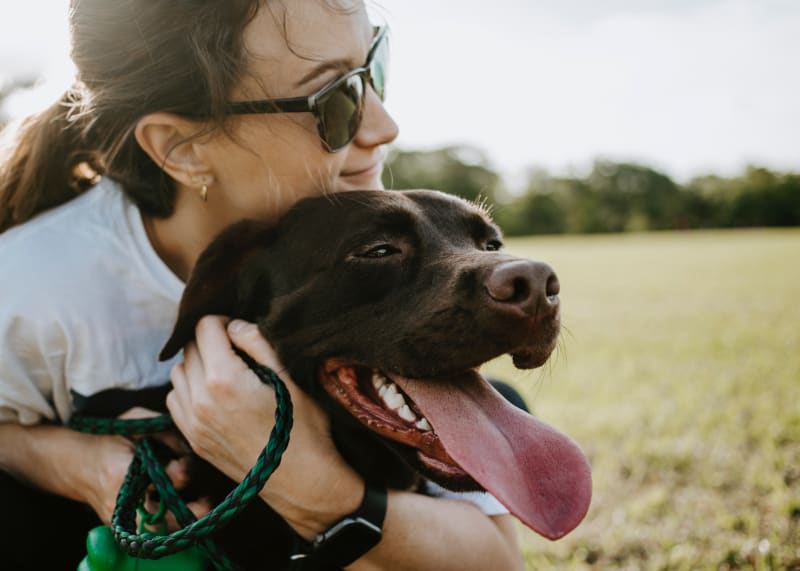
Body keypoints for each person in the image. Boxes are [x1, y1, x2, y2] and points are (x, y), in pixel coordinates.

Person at [0, 1, 526, 570]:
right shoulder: (30, 286)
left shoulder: (372, 219)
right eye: (335, 100)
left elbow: (496, 563)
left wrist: (308, 481)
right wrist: (83, 465)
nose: (384, 125)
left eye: (375, 65)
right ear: (183, 147)